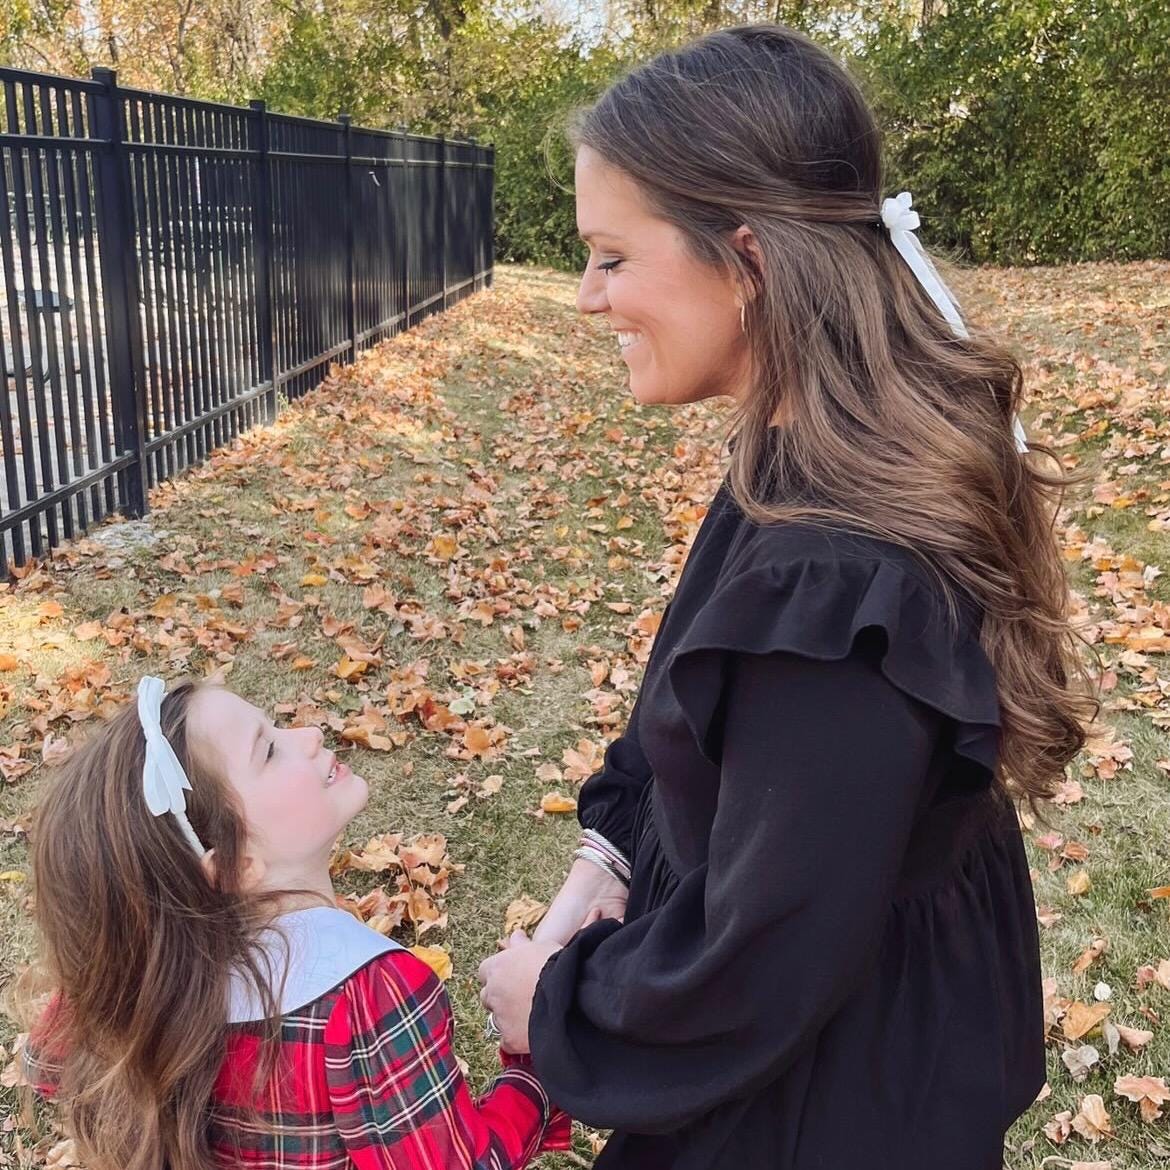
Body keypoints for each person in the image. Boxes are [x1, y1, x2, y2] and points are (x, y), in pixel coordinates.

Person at [477, 24, 1095, 1170]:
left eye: (612, 257)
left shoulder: (838, 581)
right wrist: (605, 861)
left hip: (824, 1104)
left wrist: (557, 1005)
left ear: (747, 262)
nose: (584, 297)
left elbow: (762, 963)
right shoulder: (800, 452)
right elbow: (687, 708)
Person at [20, 676, 569, 1170]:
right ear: (234, 865)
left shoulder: (137, 978)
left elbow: (45, 1064)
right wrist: (536, 1063)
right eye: (270, 750)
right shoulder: (370, 997)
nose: (308, 734)